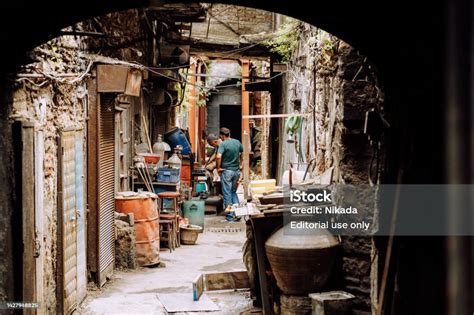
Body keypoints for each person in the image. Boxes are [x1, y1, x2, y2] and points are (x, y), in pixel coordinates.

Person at [216, 127, 243, 217]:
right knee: (233, 192)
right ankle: (238, 213)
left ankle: (230, 215)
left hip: (227, 171)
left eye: (221, 136)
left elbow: (218, 156)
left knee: (227, 193)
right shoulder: (237, 142)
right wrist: (241, 164)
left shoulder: (223, 144)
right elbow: (243, 153)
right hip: (236, 172)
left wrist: (218, 167)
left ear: (222, 136)